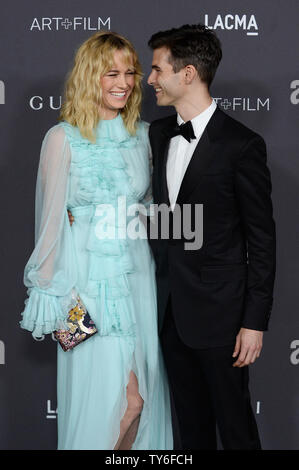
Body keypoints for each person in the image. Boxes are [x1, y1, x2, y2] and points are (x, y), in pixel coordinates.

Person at [20, 31, 173, 450]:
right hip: (85, 286)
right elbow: (49, 227)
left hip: (137, 280)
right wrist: (57, 303)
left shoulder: (145, 136)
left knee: (143, 405)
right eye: (111, 73)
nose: (123, 82)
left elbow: (150, 210)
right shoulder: (61, 139)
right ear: (90, 77)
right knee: (122, 402)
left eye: (130, 72)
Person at [146, 24, 276, 449]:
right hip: (169, 313)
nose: (149, 80)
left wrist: (253, 322)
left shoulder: (242, 145)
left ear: (187, 74)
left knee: (236, 428)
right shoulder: (158, 133)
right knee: (190, 431)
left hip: (222, 319)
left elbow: (262, 241)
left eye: (156, 70)